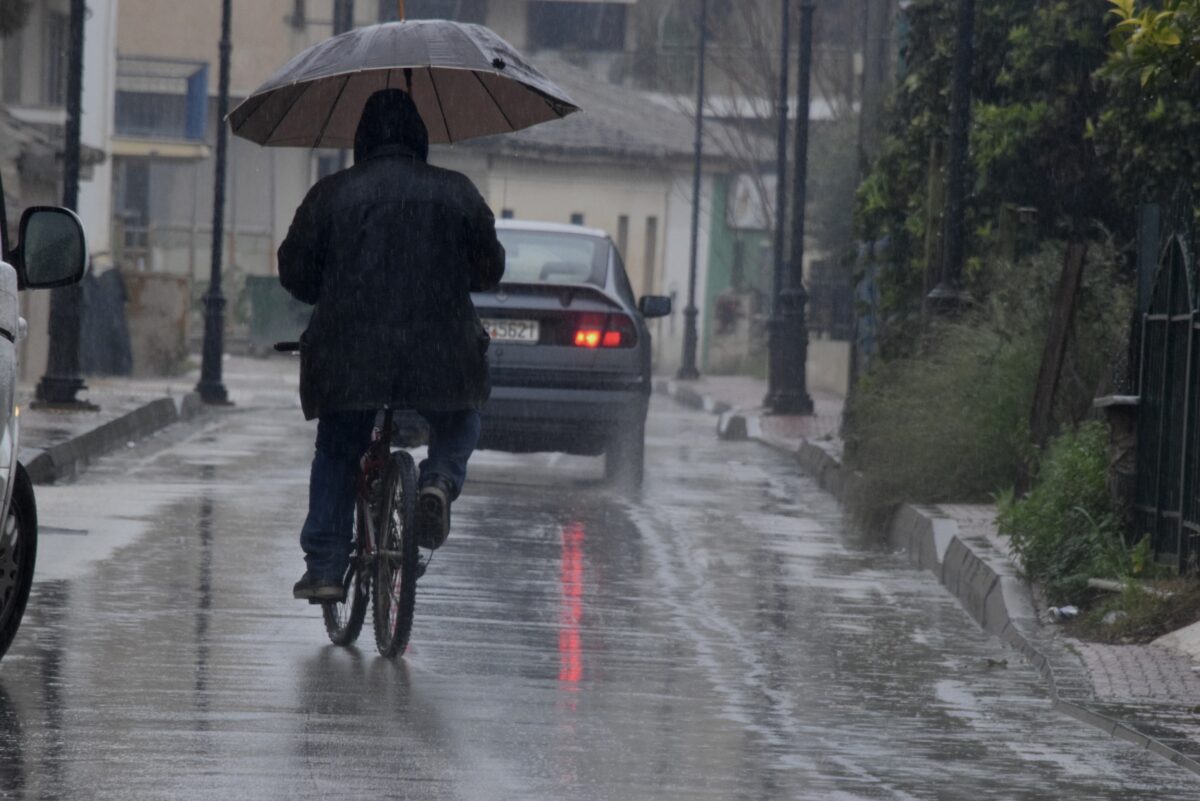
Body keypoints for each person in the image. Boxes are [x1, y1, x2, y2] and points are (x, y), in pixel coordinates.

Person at [278, 88, 505, 602]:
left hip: (348, 356)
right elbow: (489, 270)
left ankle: (327, 568)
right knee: (459, 417)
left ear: (361, 139)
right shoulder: (458, 192)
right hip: (441, 353)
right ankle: (438, 483)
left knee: (338, 449)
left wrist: (330, 284)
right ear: (420, 137)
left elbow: (296, 273)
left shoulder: (330, 194)